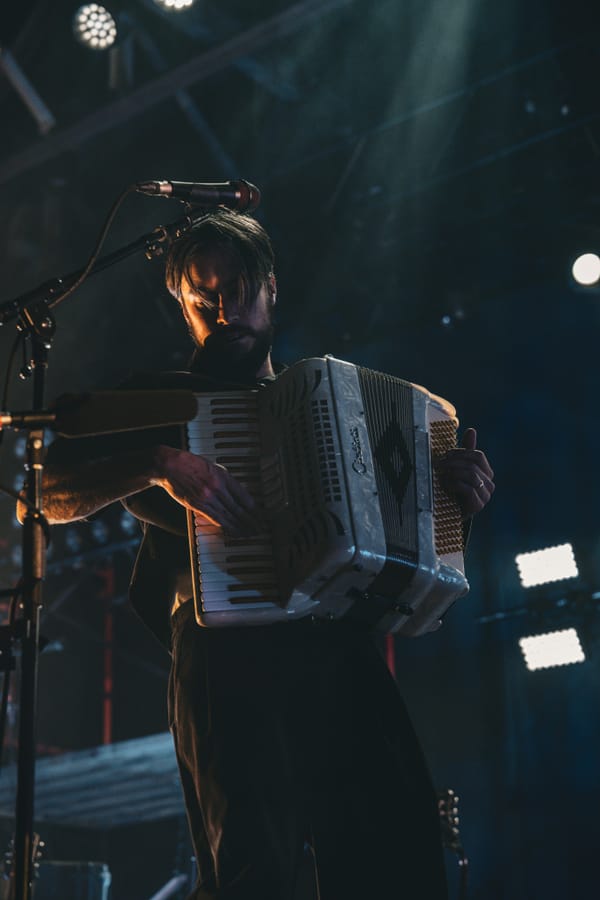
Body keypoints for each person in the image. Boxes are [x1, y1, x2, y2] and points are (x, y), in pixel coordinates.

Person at [26, 209, 495, 900]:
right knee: (252, 870)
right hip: (226, 657)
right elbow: (49, 492)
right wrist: (160, 462)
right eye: (201, 298)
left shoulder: (334, 403)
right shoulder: (153, 399)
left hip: (337, 648)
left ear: (270, 288)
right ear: (182, 307)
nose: (222, 310)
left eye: (238, 289)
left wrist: (461, 501)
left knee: (397, 852)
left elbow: (411, 548)